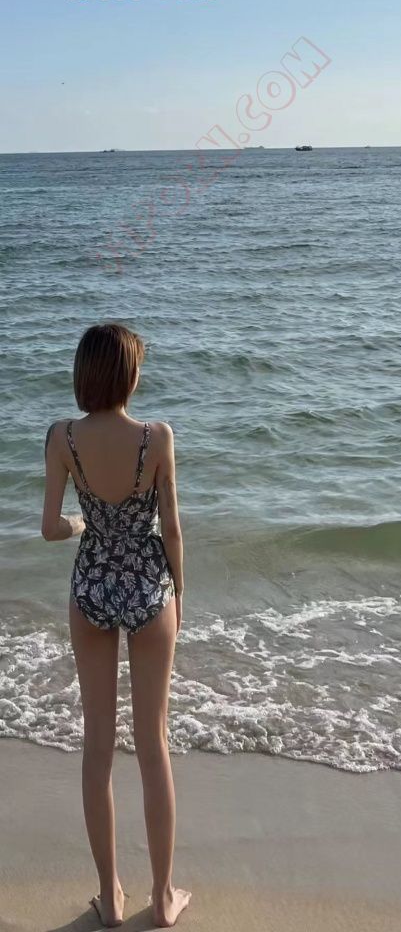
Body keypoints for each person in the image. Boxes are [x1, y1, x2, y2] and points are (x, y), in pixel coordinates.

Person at [41, 323, 191, 928]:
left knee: (97, 744)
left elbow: (50, 527)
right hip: (149, 587)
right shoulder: (157, 437)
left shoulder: (62, 437)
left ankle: (110, 895)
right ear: (129, 375)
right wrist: (180, 590)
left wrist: (81, 526)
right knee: (153, 744)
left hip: (91, 587)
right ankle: (163, 897)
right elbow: (171, 529)